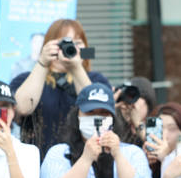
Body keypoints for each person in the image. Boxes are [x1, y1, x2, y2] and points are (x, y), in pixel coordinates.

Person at [8, 19, 110, 155]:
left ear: (85, 48)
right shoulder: (25, 79)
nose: (71, 48)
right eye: (63, 43)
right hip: (38, 164)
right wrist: (43, 62)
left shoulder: (97, 81)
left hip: (86, 163)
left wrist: (76, 68)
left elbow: (98, 112)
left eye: (77, 43)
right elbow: (21, 108)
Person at [114, 77, 157, 144]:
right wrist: (110, 111)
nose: (129, 105)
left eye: (133, 98)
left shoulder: (157, 125)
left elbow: (154, 146)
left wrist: (138, 123)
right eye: (125, 99)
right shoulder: (118, 128)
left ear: (148, 102)